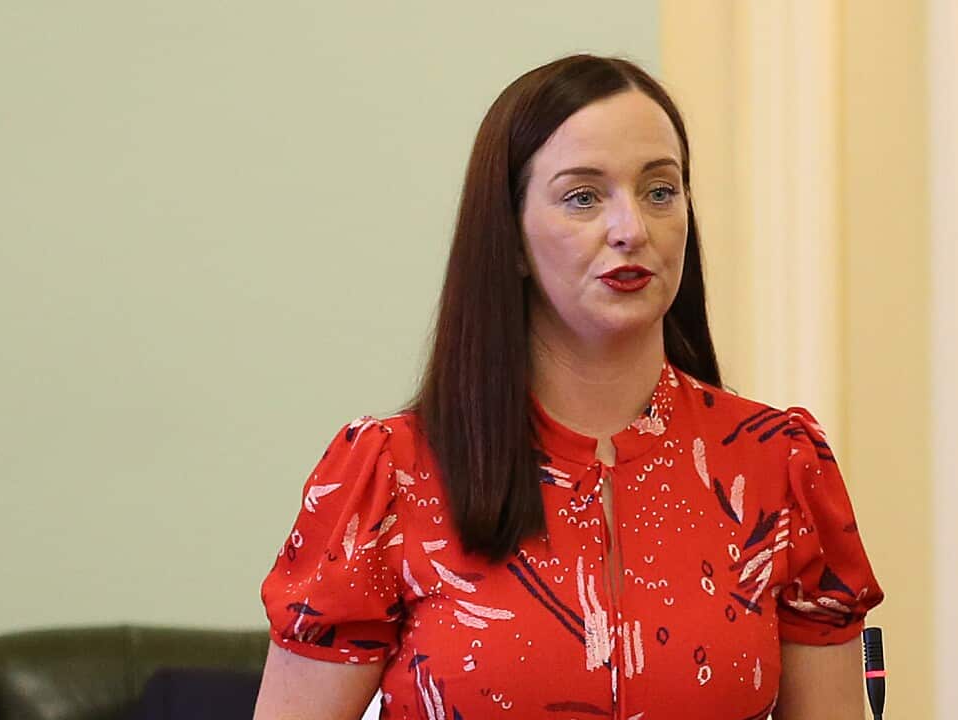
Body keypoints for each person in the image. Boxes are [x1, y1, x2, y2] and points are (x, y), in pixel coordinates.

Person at [254, 53, 883, 720]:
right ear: (513, 239)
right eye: (583, 196)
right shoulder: (390, 474)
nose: (631, 229)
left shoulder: (777, 463)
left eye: (660, 191)